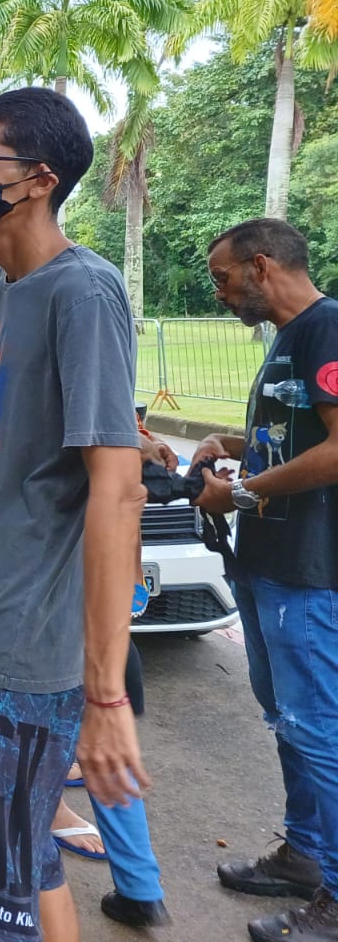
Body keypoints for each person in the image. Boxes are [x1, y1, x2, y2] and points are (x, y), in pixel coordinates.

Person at [0, 87, 147, 942]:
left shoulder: (82, 292)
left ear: (40, 180)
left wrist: (105, 693)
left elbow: (115, 490)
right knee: (14, 865)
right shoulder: (9, 292)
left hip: (25, 653)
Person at [190, 217, 338, 942]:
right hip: (265, 562)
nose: (219, 292)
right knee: (288, 720)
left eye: (223, 278)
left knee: (318, 727)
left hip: (310, 569)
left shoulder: (326, 328)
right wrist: (231, 444)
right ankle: (304, 856)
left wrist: (241, 494)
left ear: (261, 266)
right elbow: (294, 434)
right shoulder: (286, 338)